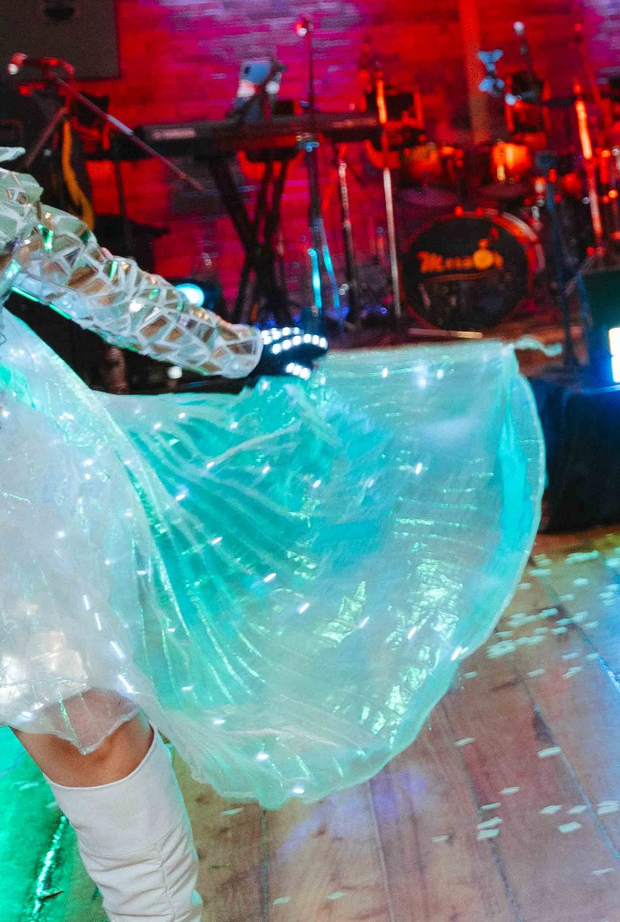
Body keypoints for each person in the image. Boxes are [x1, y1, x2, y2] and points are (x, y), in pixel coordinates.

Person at [0, 153, 540, 922]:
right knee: (79, 718)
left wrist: (242, 353)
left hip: (11, 485)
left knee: (77, 714)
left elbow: (88, 280)